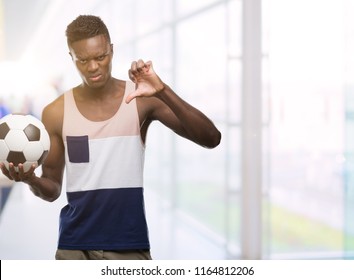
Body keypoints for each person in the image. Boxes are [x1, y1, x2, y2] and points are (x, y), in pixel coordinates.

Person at [0, 15, 221, 260]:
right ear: (71, 58)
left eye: (100, 57)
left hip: (129, 245)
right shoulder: (56, 112)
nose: (93, 67)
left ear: (112, 51)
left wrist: (163, 91)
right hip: (74, 247)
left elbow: (211, 138)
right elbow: (52, 189)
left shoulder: (141, 98)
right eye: (82, 60)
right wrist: (31, 179)